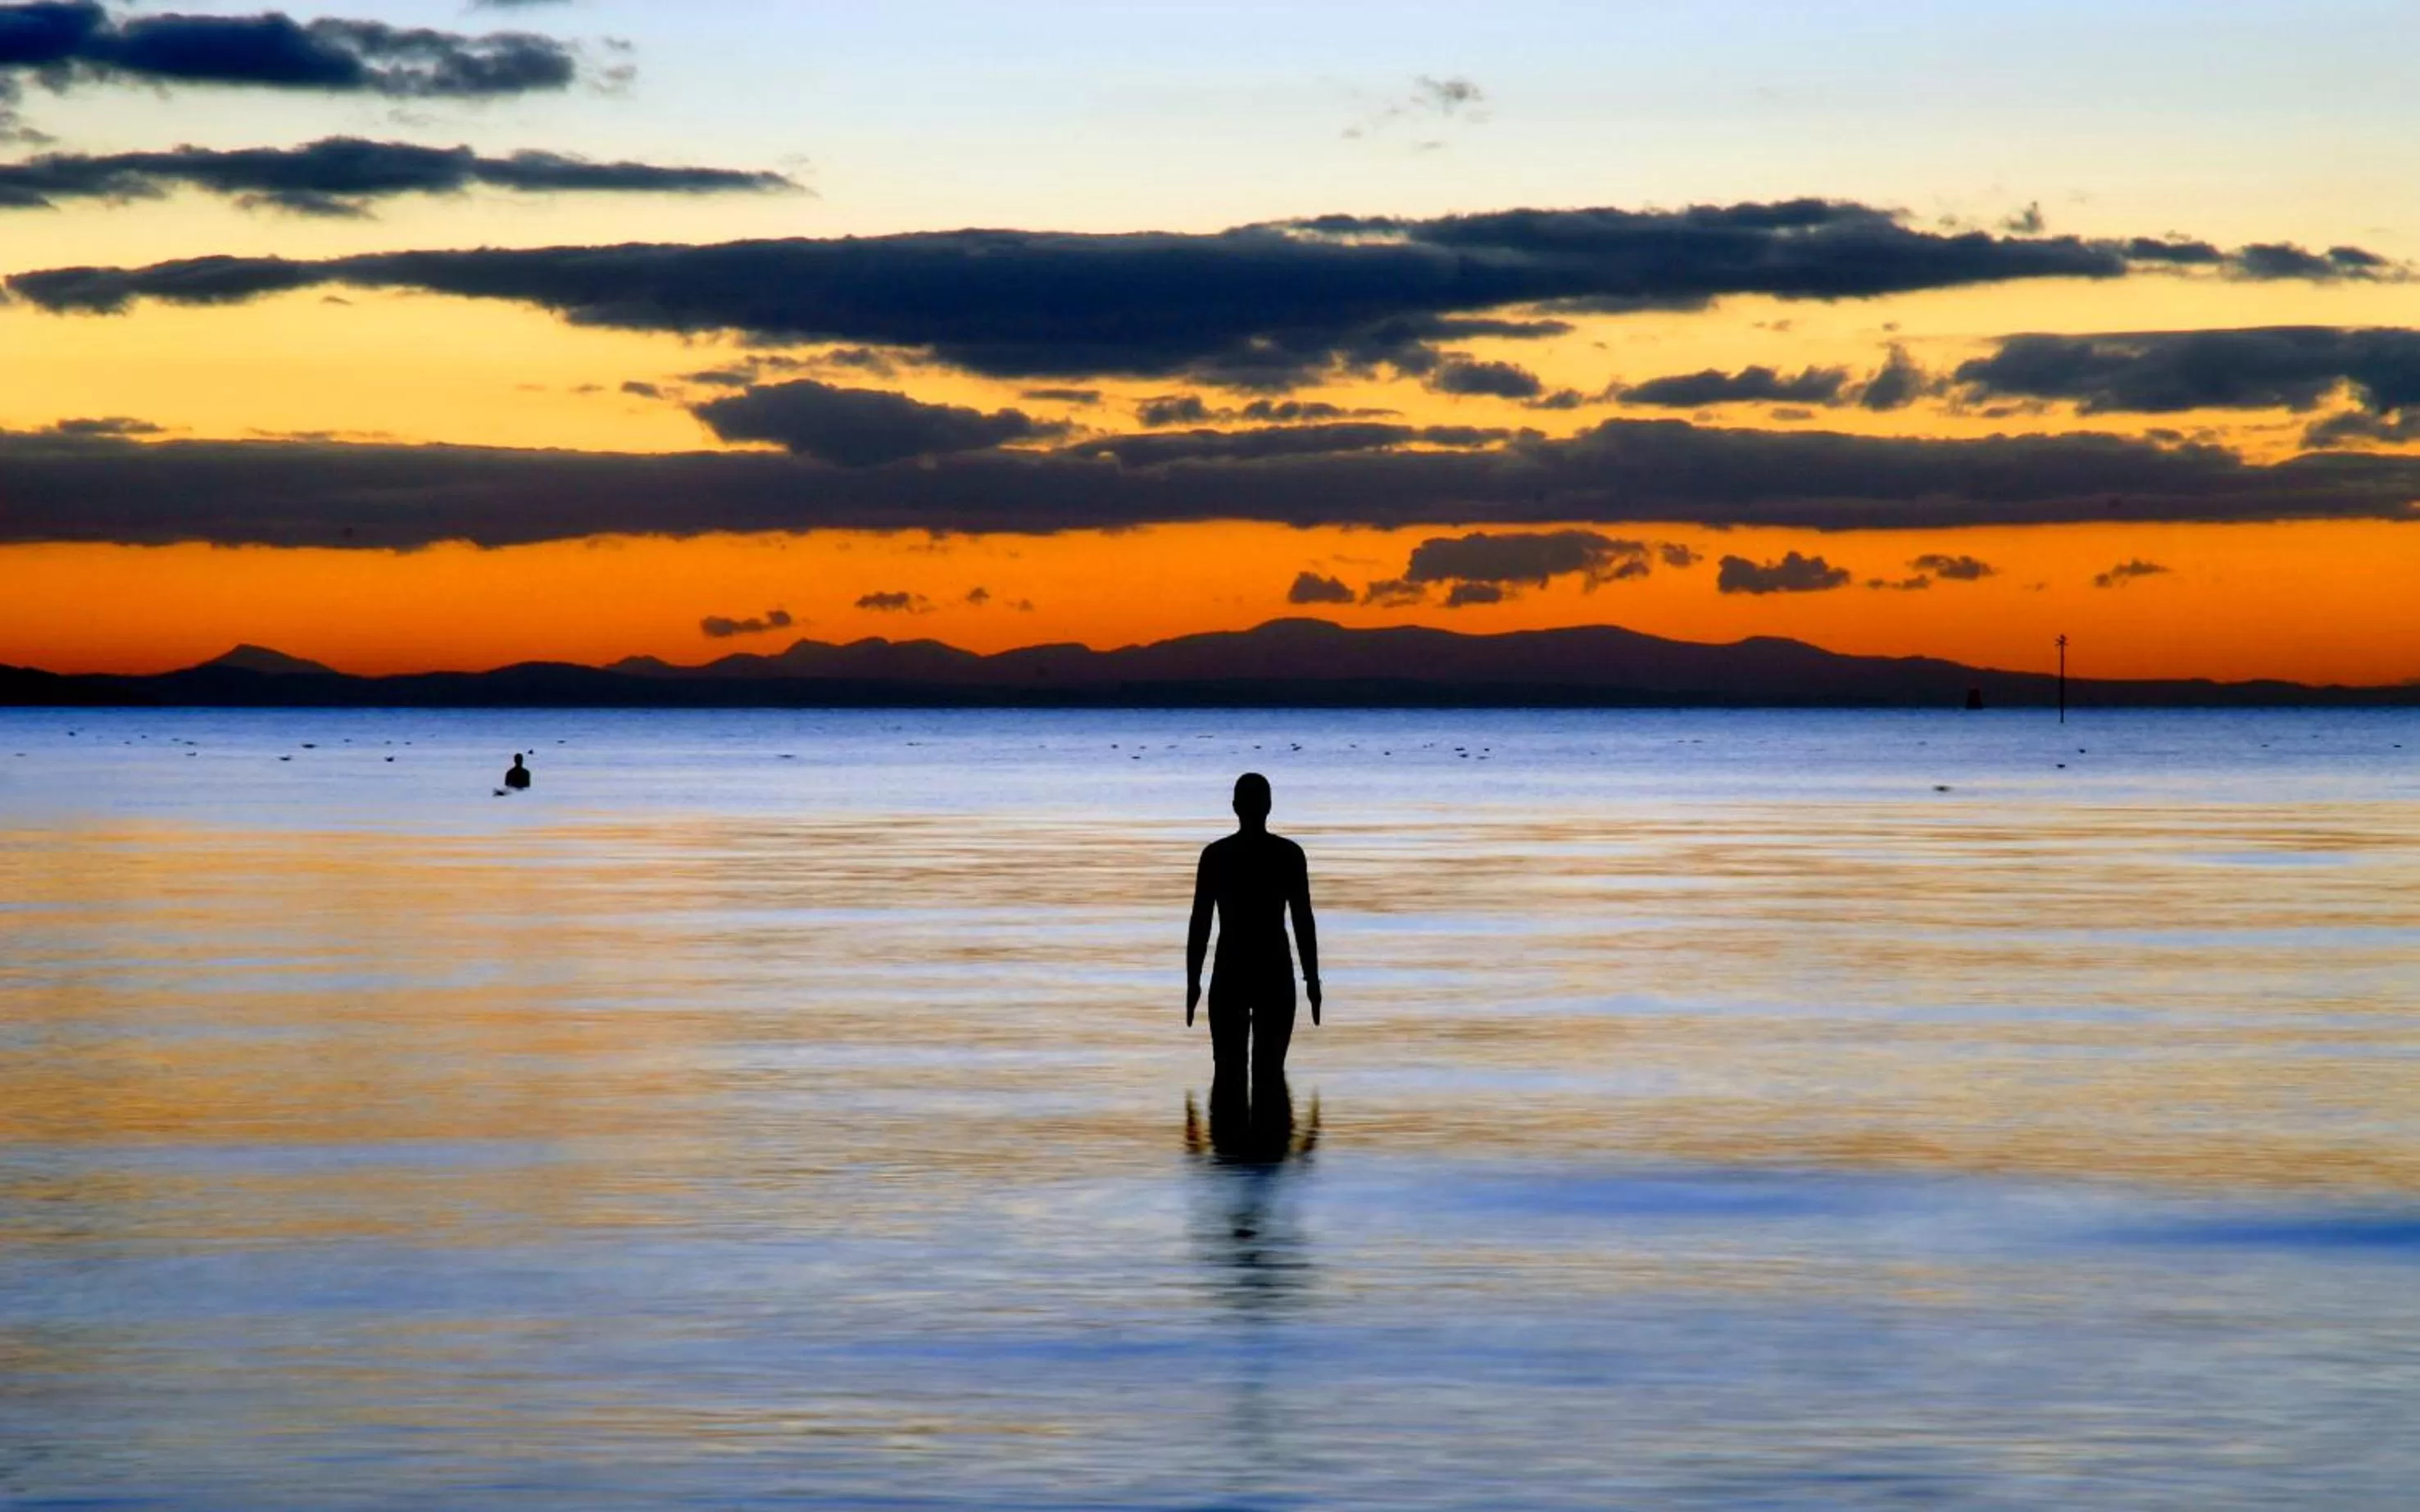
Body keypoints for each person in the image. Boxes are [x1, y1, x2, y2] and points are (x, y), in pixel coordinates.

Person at [1187, 772, 1320, 1097]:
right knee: (1270, 1073)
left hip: (1230, 971)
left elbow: (1200, 923)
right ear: (1269, 806)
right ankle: (1269, 1141)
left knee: (1228, 1074)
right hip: (1274, 971)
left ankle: (1230, 1143)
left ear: (1235, 807)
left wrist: (1193, 983)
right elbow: (1303, 920)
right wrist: (1312, 980)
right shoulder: (1288, 855)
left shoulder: (1216, 856)